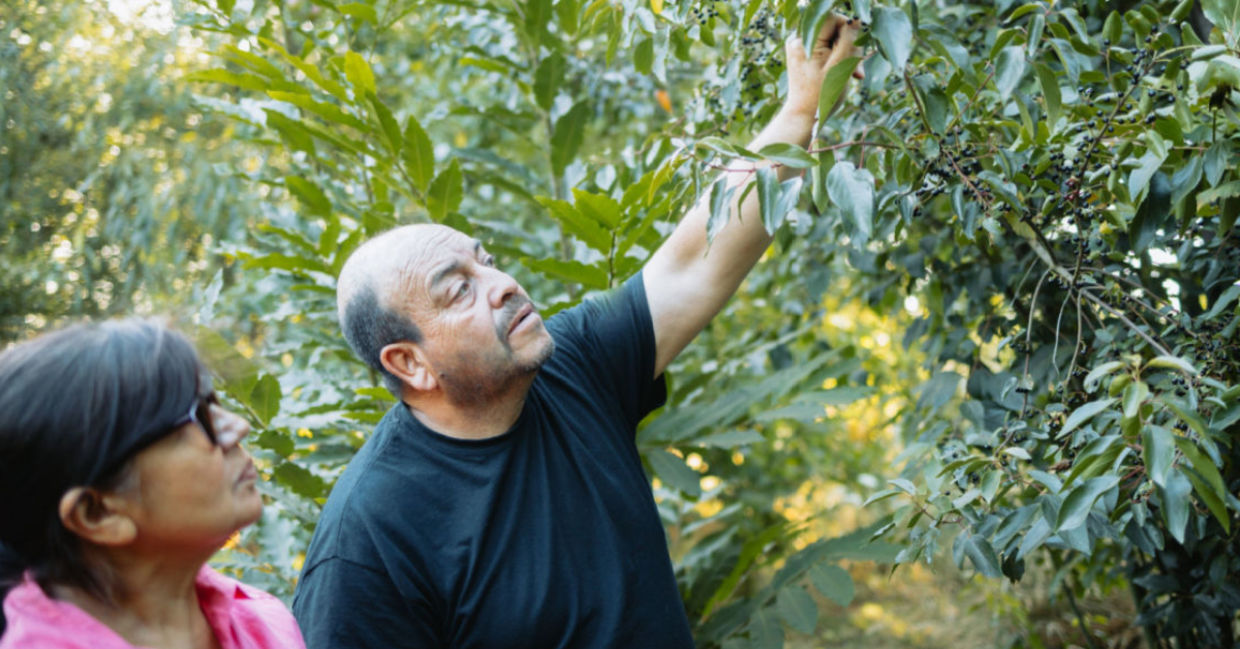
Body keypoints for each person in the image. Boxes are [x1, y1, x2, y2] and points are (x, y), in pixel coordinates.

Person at [292, 16, 861, 649]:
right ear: (410, 363)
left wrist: (802, 109)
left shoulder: (574, 365)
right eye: (460, 289)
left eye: (485, 259)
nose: (501, 282)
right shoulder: (368, 541)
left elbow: (691, 266)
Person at [0, 319, 306, 649]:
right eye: (198, 416)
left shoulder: (262, 623)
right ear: (97, 513)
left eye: (214, 403)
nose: (238, 427)